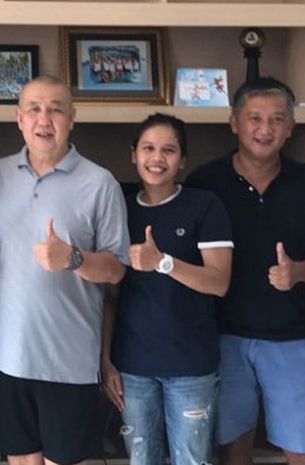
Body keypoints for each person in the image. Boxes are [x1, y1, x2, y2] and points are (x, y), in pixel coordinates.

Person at [0, 75, 130, 465]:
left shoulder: (100, 183)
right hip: (6, 357)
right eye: (33, 108)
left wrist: (74, 259)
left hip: (69, 363)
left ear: (72, 118)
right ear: (19, 118)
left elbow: (117, 270)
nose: (43, 119)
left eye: (55, 109)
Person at [186, 77, 305, 465]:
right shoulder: (205, 183)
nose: (266, 129)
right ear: (234, 123)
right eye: (255, 118)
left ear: (290, 127)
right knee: (232, 447)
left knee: (303, 447)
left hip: (293, 338)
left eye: (277, 119)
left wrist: (299, 272)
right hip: (225, 337)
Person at [101, 113, 233, 465]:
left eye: (169, 150)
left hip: (191, 366)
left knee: (192, 459)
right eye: (148, 148)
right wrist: (106, 360)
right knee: (142, 459)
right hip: (133, 366)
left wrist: (164, 261)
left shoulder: (204, 205)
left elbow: (219, 282)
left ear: (183, 160)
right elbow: (111, 295)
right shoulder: (121, 210)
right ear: (133, 154)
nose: (157, 159)